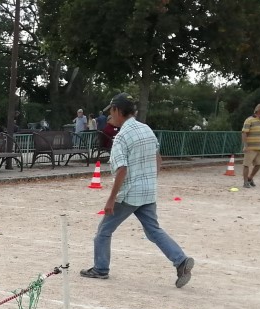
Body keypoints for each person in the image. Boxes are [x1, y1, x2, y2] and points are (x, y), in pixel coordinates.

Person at [80, 94, 195, 289]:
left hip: (129, 194)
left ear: (117, 110)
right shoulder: (146, 129)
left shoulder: (122, 137)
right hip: (148, 191)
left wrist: (111, 200)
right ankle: (181, 260)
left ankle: (100, 269)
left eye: (111, 112)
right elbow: (158, 158)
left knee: (103, 231)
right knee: (154, 231)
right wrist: (150, 179)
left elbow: (122, 169)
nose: (110, 116)